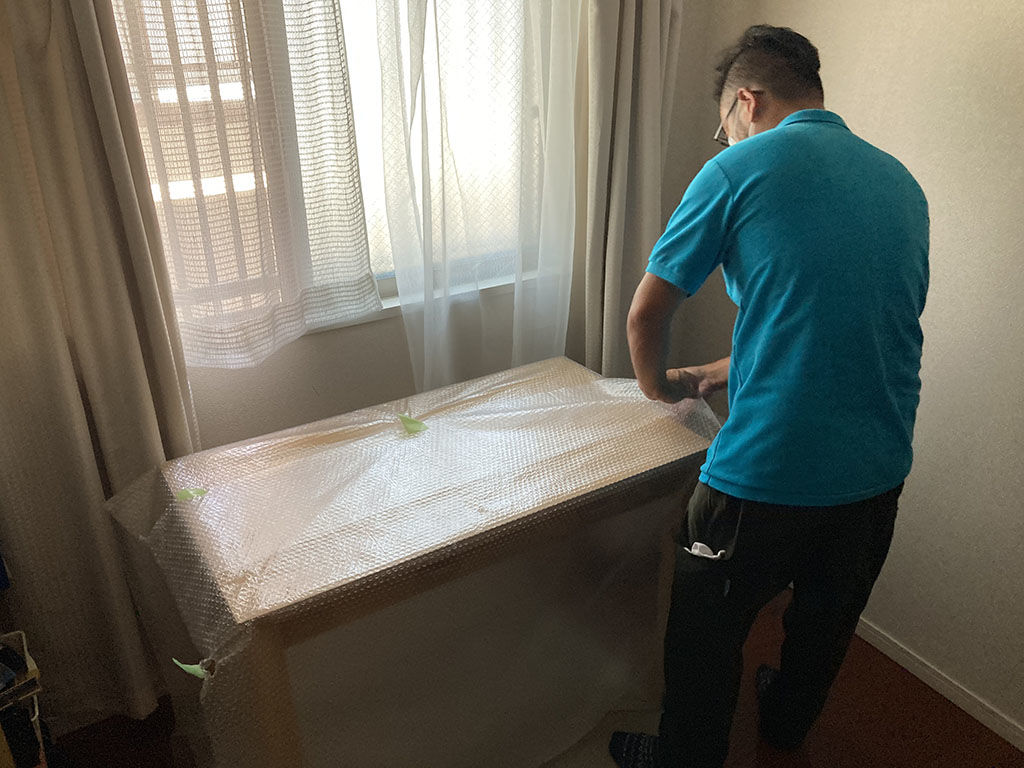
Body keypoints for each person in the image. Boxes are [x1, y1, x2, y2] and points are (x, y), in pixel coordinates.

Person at [609, 24, 929, 768]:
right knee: (824, 625)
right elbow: (838, 323)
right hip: (878, 471)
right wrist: (725, 369)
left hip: (766, 476)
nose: (726, 141)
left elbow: (645, 316)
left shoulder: (736, 169)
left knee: (703, 634)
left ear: (745, 102)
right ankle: (784, 725)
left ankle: (685, 759)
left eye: (725, 126)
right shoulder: (900, 183)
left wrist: (657, 384)